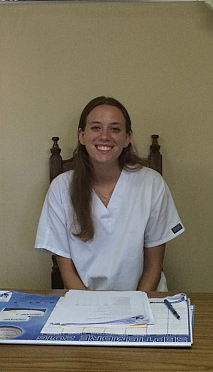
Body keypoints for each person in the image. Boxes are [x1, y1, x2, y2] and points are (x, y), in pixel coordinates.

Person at [35, 96, 184, 291]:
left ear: (127, 138)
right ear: (81, 136)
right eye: (96, 127)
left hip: (143, 299)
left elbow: (153, 267)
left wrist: (135, 310)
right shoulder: (61, 188)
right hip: (83, 302)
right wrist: (90, 312)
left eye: (115, 129)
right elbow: (67, 271)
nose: (105, 136)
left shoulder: (151, 184)